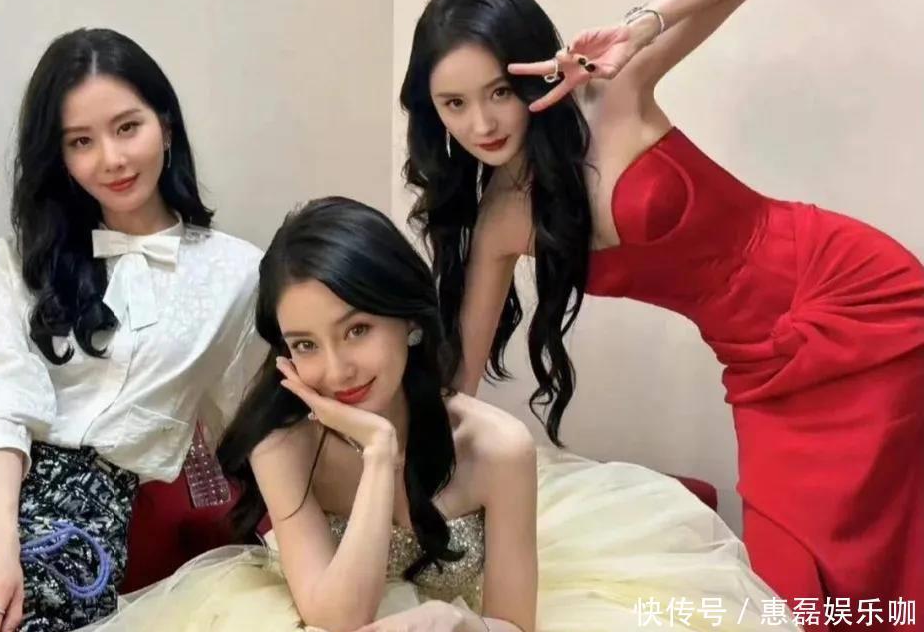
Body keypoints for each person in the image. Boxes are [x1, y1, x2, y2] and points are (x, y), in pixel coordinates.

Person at [399, 0, 924, 619]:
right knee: (789, 588)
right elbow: (460, 384)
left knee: (894, 535)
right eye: (454, 104)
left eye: (500, 92)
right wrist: (383, 458)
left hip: (852, 293)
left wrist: (643, 25)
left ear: (533, 75)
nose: (481, 124)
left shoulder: (609, 94)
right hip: (761, 368)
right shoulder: (499, 224)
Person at [80, 197, 796, 632]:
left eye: (358, 330)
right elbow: (336, 616)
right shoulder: (283, 442)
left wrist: (457, 620)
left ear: (411, 324)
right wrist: (379, 456)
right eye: (305, 345)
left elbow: (514, 624)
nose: (336, 369)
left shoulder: (496, 446)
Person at [0, 28, 266, 632]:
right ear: (59, 157)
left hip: (81, 520)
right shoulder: (14, 263)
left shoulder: (237, 274)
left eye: (128, 127)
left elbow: (256, 421)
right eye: (81, 141)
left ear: (166, 127)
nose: (111, 159)